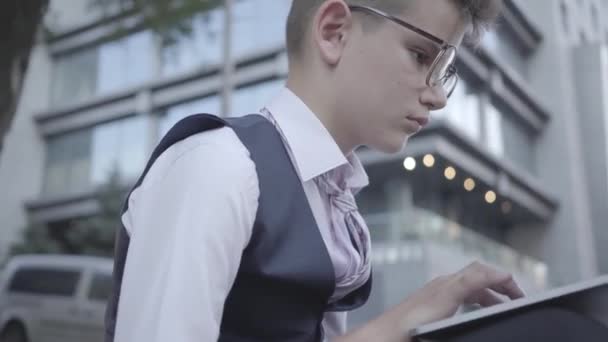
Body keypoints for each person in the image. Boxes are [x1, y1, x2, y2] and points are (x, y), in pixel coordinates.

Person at [104, 1, 531, 341]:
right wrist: (401, 320)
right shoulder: (218, 167)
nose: (438, 96)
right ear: (333, 31)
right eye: (421, 56)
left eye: (445, 70)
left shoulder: (335, 203)